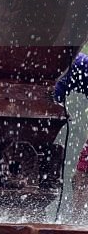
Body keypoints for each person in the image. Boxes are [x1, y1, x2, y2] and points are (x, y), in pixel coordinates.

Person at [55, 52, 88, 209]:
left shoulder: (79, 63)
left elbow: (57, 95)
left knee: (82, 173)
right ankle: (77, 220)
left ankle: (76, 218)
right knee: (82, 171)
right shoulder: (80, 64)